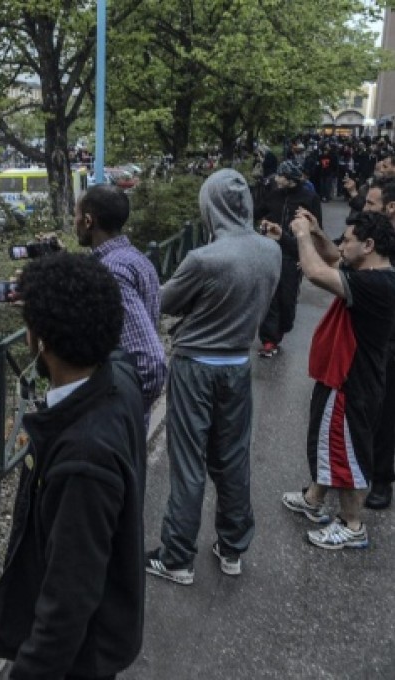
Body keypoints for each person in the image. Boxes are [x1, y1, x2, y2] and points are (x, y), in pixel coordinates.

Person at [0, 253, 146, 680]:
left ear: (39, 340)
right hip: (103, 635)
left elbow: (69, 600)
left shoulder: (83, 458)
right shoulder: (118, 379)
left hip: (79, 659)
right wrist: (50, 289)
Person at [145, 169, 281, 585]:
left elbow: (162, 302)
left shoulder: (204, 259)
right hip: (238, 365)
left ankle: (177, 557)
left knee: (188, 463)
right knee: (232, 458)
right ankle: (232, 546)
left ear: (210, 207)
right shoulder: (270, 251)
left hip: (196, 367)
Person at [280, 210, 395, 549]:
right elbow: (336, 258)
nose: (342, 246)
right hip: (344, 375)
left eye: (348, 240)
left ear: (369, 245)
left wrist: (302, 235)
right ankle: (315, 500)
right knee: (330, 444)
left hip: (353, 381)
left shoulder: (376, 285)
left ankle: (352, 524)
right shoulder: (370, 271)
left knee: (348, 454)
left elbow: (317, 272)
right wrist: (318, 233)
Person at [74, 184, 167, 421]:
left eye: (75, 216)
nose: (73, 223)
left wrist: (124, 405)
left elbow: (150, 360)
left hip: (115, 412)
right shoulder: (136, 259)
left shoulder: (112, 270)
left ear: (88, 221)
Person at [349, 179, 395, 510]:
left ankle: (381, 479)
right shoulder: (375, 235)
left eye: (371, 204)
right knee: (367, 409)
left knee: (386, 413)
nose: (364, 207)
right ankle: (354, 475)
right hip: (377, 335)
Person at [253, 159, 322, 357]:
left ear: (290, 179)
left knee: (287, 298)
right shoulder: (273, 194)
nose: (277, 178)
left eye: (281, 175)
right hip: (270, 251)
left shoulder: (309, 198)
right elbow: (257, 211)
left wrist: (309, 255)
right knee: (270, 297)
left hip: (293, 255)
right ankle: (268, 340)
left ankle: (281, 329)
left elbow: (318, 230)